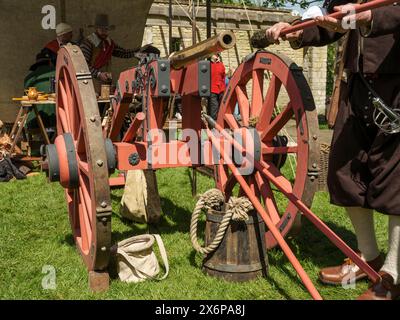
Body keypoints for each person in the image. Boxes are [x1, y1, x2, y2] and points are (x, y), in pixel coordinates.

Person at [266, 1, 400, 300]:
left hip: (396, 84)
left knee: (395, 181)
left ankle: (393, 276)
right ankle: (369, 259)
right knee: (344, 169)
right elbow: (334, 20)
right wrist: (296, 31)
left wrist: (371, 16)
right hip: (359, 85)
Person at [80, 14, 140, 94]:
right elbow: (83, 65)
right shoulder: (88, 43)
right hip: (91, 82)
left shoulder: (109, 43)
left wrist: (135, 53)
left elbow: (122, 52)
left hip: (106, 83)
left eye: (106, 29)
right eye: (102, 29)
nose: (105, 32)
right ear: (96, 29)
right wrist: (98, 74)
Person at [209, 53, 226, 120]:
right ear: (211, 56)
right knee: (214, 107)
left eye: (217, 55)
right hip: (212, 89)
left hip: (221, 88)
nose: (216, 56)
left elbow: (223, 76)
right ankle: (214, 124)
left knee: (222, 106)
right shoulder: (208, 65)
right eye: (215, 54)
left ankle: (221, 121)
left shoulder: (221, 65)